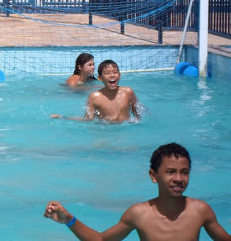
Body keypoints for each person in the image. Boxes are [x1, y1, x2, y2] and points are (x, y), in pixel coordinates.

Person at [44, 143, 231, 240]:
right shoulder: (140, 214)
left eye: (184, 172)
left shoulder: (200, 211)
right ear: (153, 175)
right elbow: (100, 239)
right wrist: (69, 220)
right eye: (171, 172)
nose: (178, 179)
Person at [52, 59, 139, 123]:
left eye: (115, 72)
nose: (112, 75)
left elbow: (137, 114)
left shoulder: (128, 92)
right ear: (100, 78)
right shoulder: (95, 97)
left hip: (125, 131)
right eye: (107, 73)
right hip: (105, 130)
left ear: (119, 76)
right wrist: (64, 117)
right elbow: (88, 119)